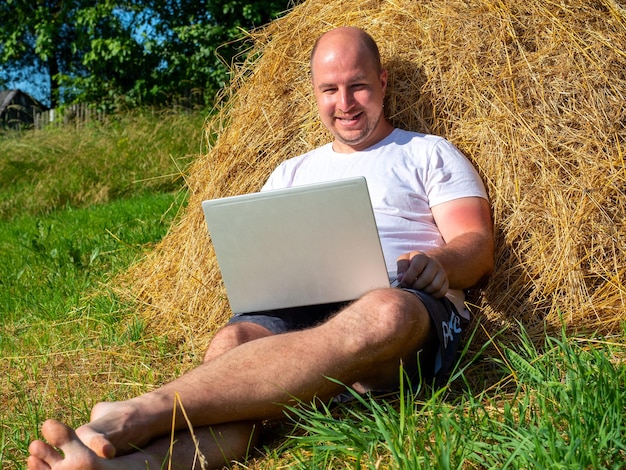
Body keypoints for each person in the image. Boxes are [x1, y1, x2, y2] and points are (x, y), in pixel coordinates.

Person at [27, 26, 494, 470]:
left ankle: (141, 411)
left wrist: (439, 263)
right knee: (233, 343)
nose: (345, 103)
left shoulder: (427, 152)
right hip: (300, 309)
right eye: (330, 90)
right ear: (315, 94)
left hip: (405, 308)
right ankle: (129, 466)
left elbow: (476, 244)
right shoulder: (291, 173)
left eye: (358, 87)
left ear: (383, 81)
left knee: (384, 310)